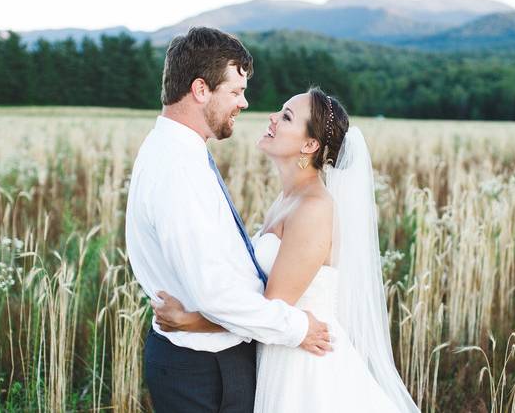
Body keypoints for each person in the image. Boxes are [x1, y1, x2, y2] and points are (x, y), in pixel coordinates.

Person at [154, 86, 420, 412]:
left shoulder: (313, 208)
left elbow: (273, 305)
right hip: (279, 355)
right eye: (280, 110)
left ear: (310, 144)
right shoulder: (287, 199)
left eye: (287, 116)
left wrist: (193, 321)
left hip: (306, 370)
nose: (273, 118)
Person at [125, 27, 332, 413]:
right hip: (203, 371)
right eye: (235, 92)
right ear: (201, 90)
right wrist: (298, 328)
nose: (245, 103)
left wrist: (195, 321)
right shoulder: (178, 169)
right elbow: (214, 293)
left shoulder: (177, 151)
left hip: (211, 360)